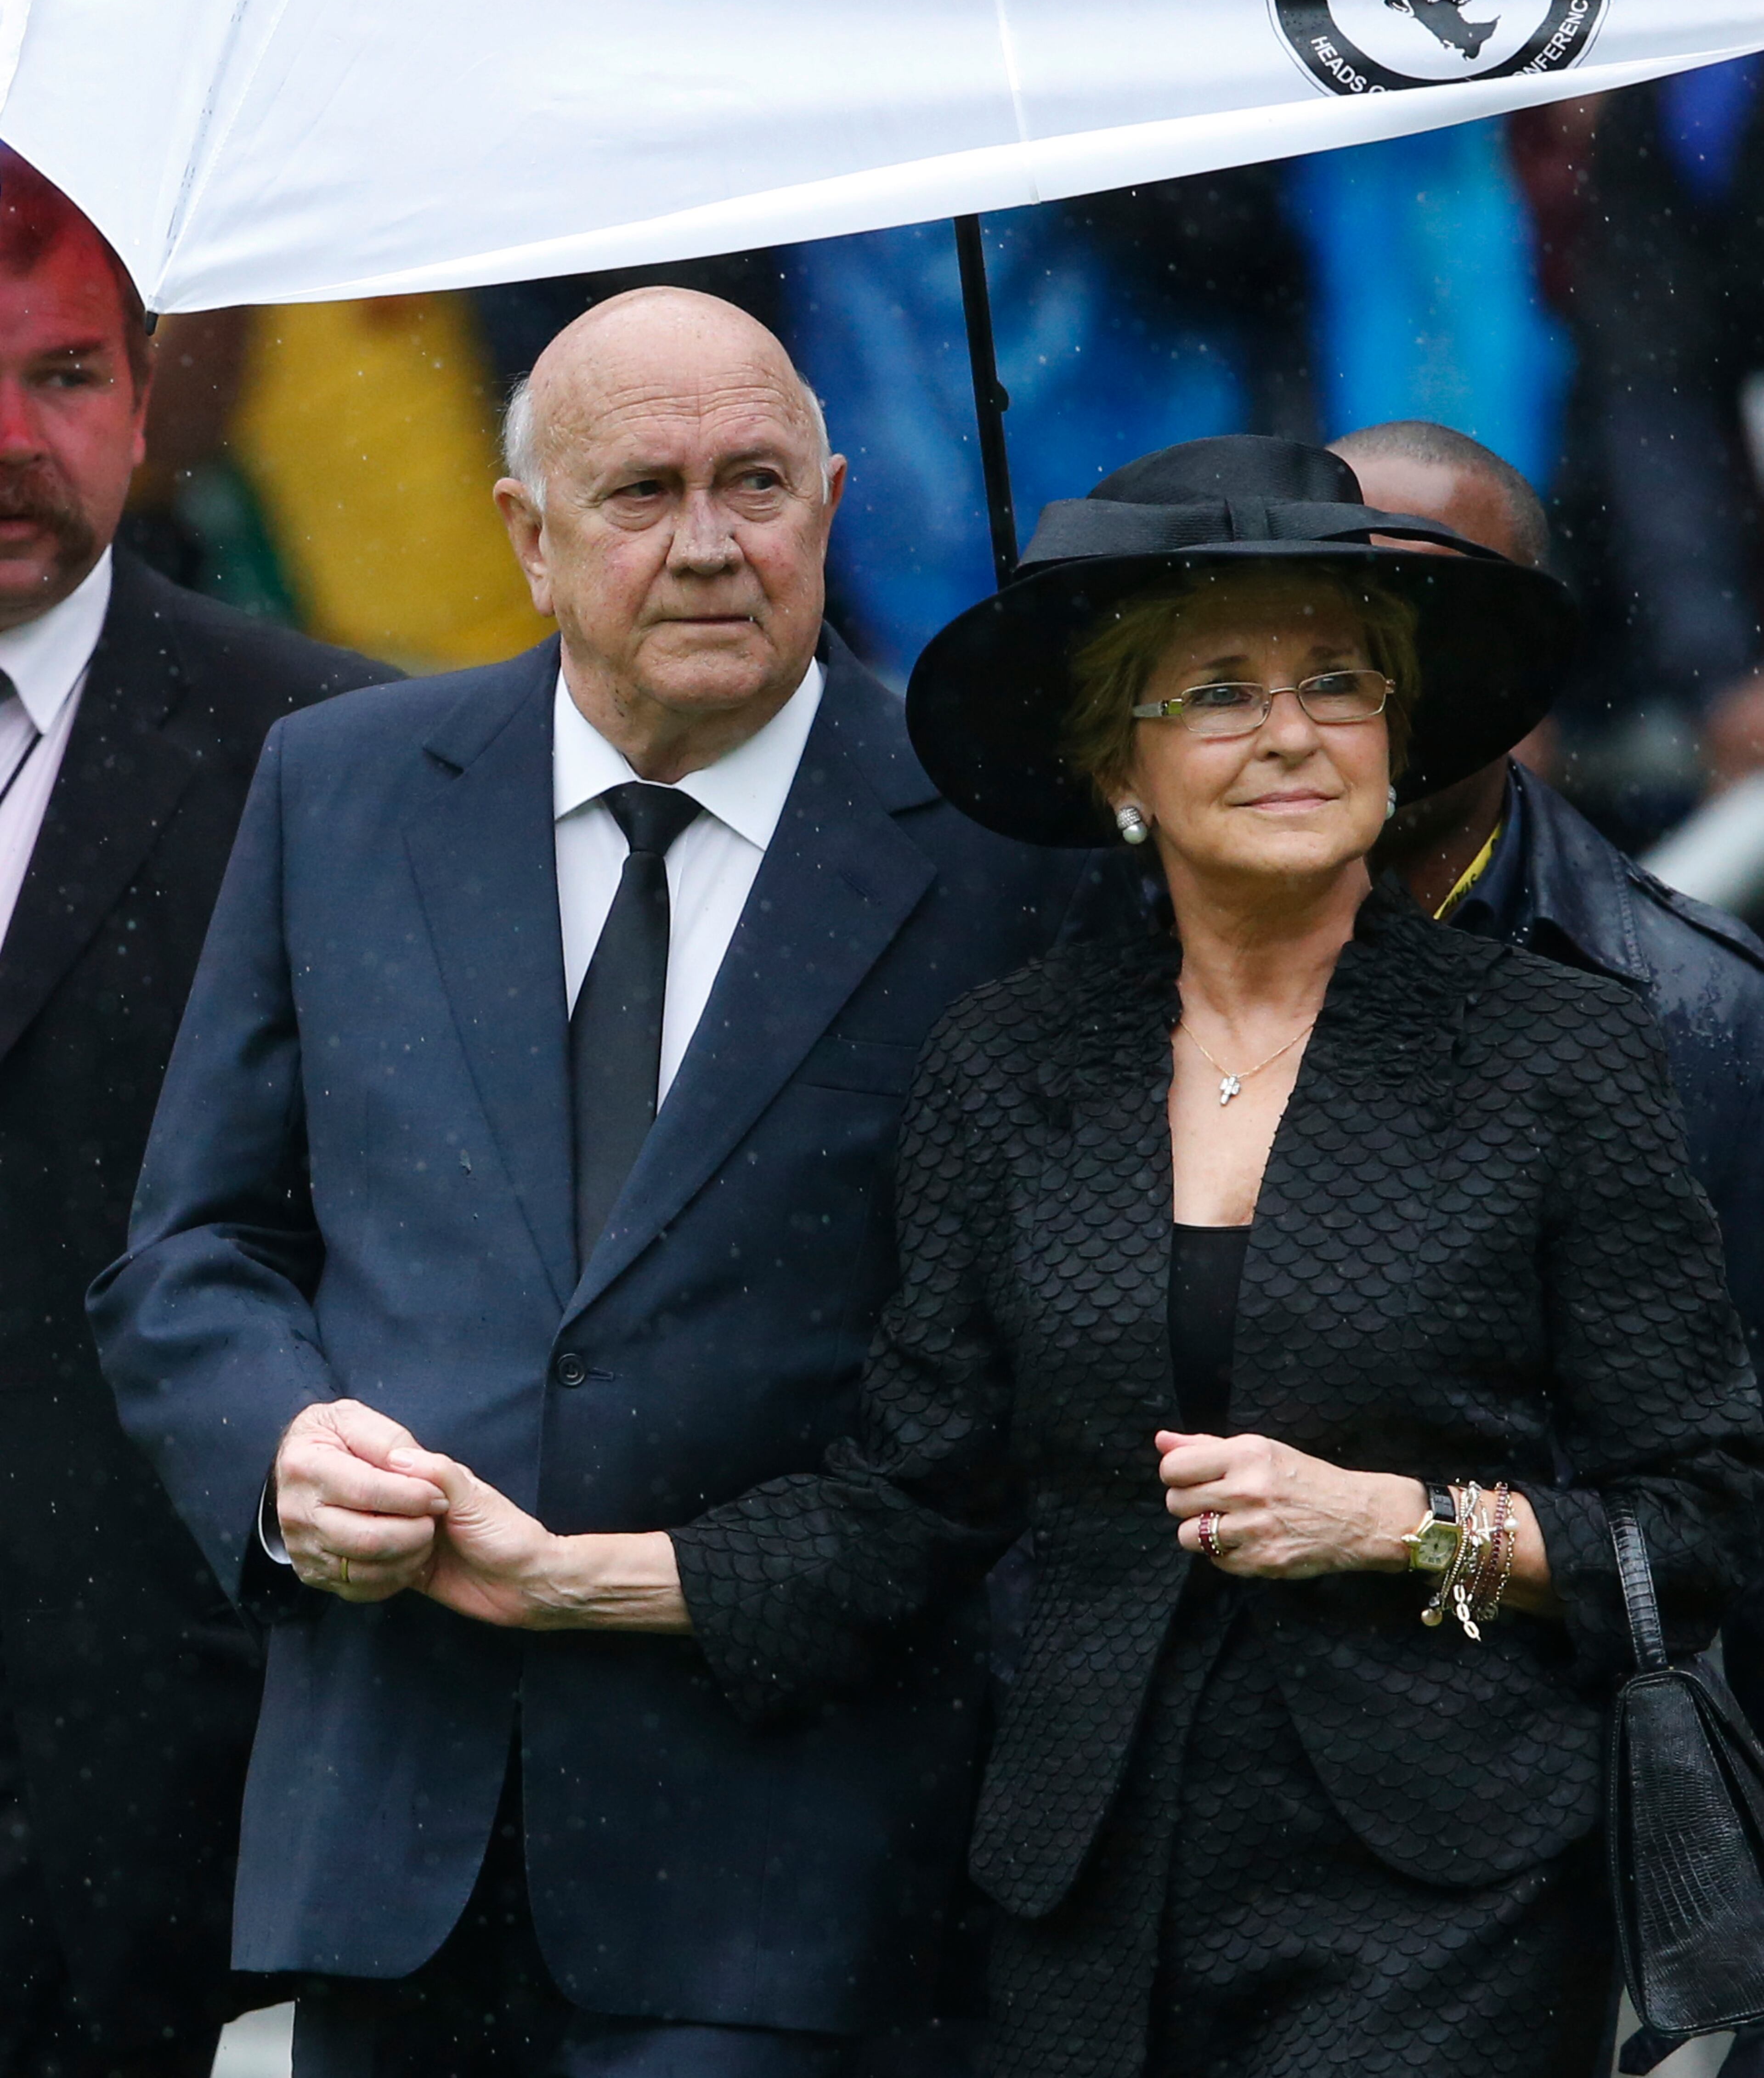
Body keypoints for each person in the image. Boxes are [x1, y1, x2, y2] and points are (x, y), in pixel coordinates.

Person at [300, 433, 1764, 2078]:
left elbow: (1700, 1516)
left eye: (1338, 681)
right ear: (1120, 768)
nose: (1290, 731)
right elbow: (910, 1507)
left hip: (1448, 1896)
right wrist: (569, 1579)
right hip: (1082, 1884)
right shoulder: (1014, 1063)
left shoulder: (1559, 1053)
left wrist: (1390, 1526)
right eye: (1218, 692)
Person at [90, 288, 1128, 2077]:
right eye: (646, 490)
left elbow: (1037, 1370)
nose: (714, 544)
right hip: (393, 1818)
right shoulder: (341, 784)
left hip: (793, 1840)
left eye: (760, 484)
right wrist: (277, 1448)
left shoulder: (999, 846)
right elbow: (197, 1244)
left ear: (835, 497)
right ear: (531, 534)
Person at [0, 149, 392, 2078]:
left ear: (150, 394)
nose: (12, 436)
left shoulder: (339, 755)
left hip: (183, 1760)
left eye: (67, 376)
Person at [1332, 415, 1764, 1736]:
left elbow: (1718, 1517)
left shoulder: (1701, 1016)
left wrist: (1408, 1538)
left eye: (1436, 612)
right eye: (1336, 609)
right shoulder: (1107, 972)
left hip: (1548, 1789)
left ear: (1536, 657)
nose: (1377, 666)